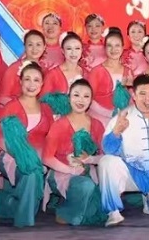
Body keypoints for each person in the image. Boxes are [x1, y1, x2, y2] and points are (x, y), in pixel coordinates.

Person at [98, 74, 149, 226]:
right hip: (131, 175)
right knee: (107, 161)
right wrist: (116, 132)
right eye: (142, 94)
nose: (147, 99)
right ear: (134, 96)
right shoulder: (122, 117)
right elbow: (107, 149)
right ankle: (113, 212)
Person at [0, 61, 53, 228]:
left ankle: (4, 203)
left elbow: (51, 137)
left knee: (34, 169)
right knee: (31, 172)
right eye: (27, 79)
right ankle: (24, 223)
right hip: (11, 155)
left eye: (36, 80)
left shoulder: (46, 109)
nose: (31, 84)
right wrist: (21, 155)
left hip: (39, 157)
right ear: (20, 82)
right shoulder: (11, 107)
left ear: (42, 84)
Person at [42, 79, 106, 226]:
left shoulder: (97, 125)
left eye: (86, 96)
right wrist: (71, 170)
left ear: (91, 101)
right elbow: (47, 158)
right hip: (62, 174)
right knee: (86, 186)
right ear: (69, 97)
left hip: (88, 175)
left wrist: (90, 159)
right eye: (76, 95)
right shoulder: (59, 124)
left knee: (100, 212)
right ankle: (66, 214)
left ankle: (72, 204)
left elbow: (104, 156)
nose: (80, 100)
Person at [86, 28, 131, 125]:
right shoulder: (96, 71)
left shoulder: (128, 72)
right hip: (99, 122)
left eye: (117, 45)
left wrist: (123, 114)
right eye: (109, 46)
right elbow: (88, 98)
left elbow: (132, 98)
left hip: (122, 122)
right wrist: (110, 114)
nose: (113, 50)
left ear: (122, 47)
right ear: (105, 48)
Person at [0, 29, 46, 106]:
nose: (34, 49)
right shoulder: (13, 68)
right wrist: (22, 107)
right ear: (24, 46)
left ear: (44, 47)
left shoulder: (44, 69)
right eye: (30, 45)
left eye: (38, 45)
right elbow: (3, 98)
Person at [42, 32, 84, 96]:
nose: (73, 52)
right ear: (63, 51)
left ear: (82, 50)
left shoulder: (86, 73)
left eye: (77, 48)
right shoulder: (53, 74)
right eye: (69, 49)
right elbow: (44, 99)